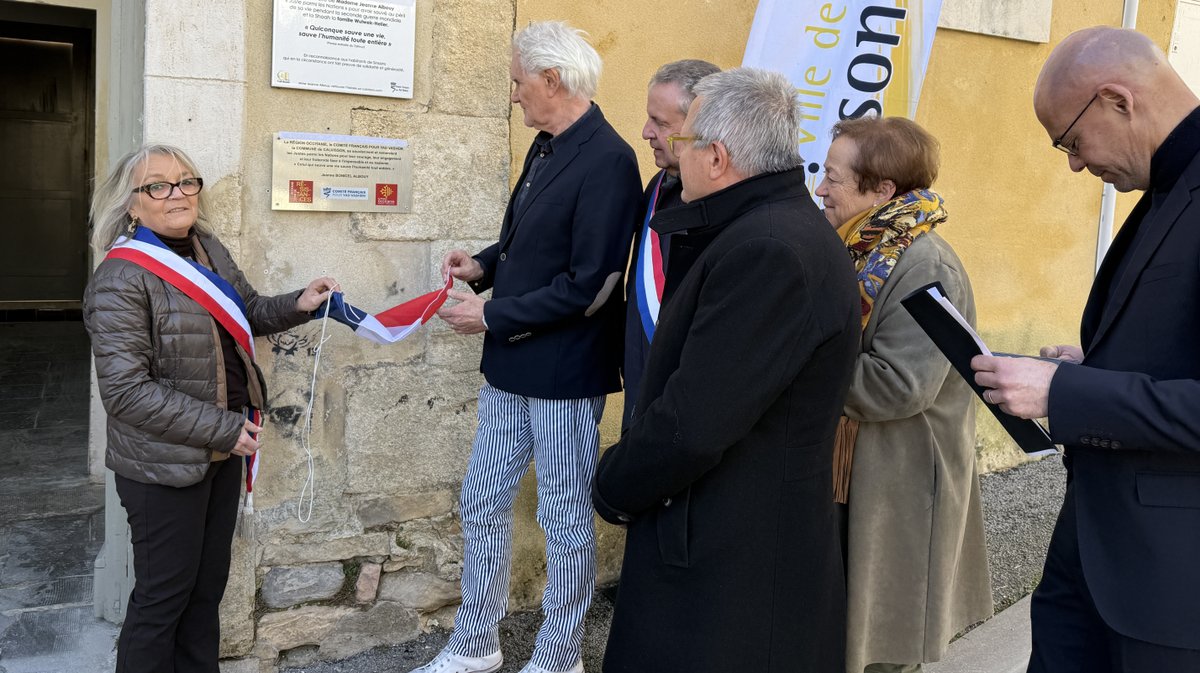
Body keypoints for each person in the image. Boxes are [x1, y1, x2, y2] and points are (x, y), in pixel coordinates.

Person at [592, 67, 859, 673]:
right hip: (723, 542)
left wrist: (612, 484)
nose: (667, 148)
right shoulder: (760, 229)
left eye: (681, 139)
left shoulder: (769, 250)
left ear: (716, 157)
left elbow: (695, 423)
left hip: (733, 562)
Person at [971, 26, 1200, 672]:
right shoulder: (1165, 183)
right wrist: (1090, 367)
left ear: (1118, 100)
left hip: (1169, 592)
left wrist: (1064, 392)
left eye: (1071, 141)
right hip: (1090, 559)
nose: (1073, 164)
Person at [427, 20, 641, 673]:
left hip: (564, 375)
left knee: (565, 518)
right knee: (481, 501)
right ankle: (475, 643)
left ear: (553, 79)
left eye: (520, 81)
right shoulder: (546, 145)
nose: (514, 92)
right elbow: (529, 242)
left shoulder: (609, 160)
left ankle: (559, 655)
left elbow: (592, 286)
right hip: (511, 367)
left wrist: (492, 315)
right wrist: (483, 266)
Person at [83, 144, 335, 673]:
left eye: (186, 181)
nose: (177, 194)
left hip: (220, 453)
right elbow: (125, 391)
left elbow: (247, 311)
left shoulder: (207, 247)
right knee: (162, 599)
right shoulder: (120, 278)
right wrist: (223, 428)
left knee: (205, 592)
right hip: (162, 465)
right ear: (131, 204)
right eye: (157, 185)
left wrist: (298, 303)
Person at [814, 116, 992, 673]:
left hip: (902, 477)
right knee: (849, 626)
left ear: (883, 190)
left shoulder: (923, 263)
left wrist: (797, 366)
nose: (820, 188)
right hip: (864, 469)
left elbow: (897, 385)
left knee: (887, 639)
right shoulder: (861, 246)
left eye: (833, 177)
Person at [622, 58, 719, 429]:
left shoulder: (718, 207)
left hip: (680, 407)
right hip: (640, 381)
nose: (646, 132)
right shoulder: (658, 185)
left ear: (699, 125)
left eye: (660, 123)